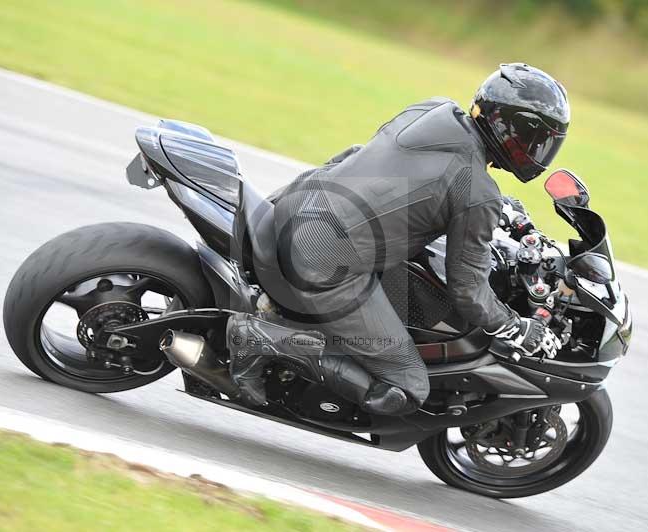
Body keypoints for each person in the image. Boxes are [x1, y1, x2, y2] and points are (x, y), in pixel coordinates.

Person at [229, 63, 568, 416]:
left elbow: (364, 157)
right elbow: (468, 289)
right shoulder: (478, 193)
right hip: (322, 261)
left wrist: (497, 210)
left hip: (292, 205)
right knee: (407, 386)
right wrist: (514, 327)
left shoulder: (432, 110)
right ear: (514, 131)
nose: (540, 150)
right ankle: (261, 338)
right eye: (539, 140)